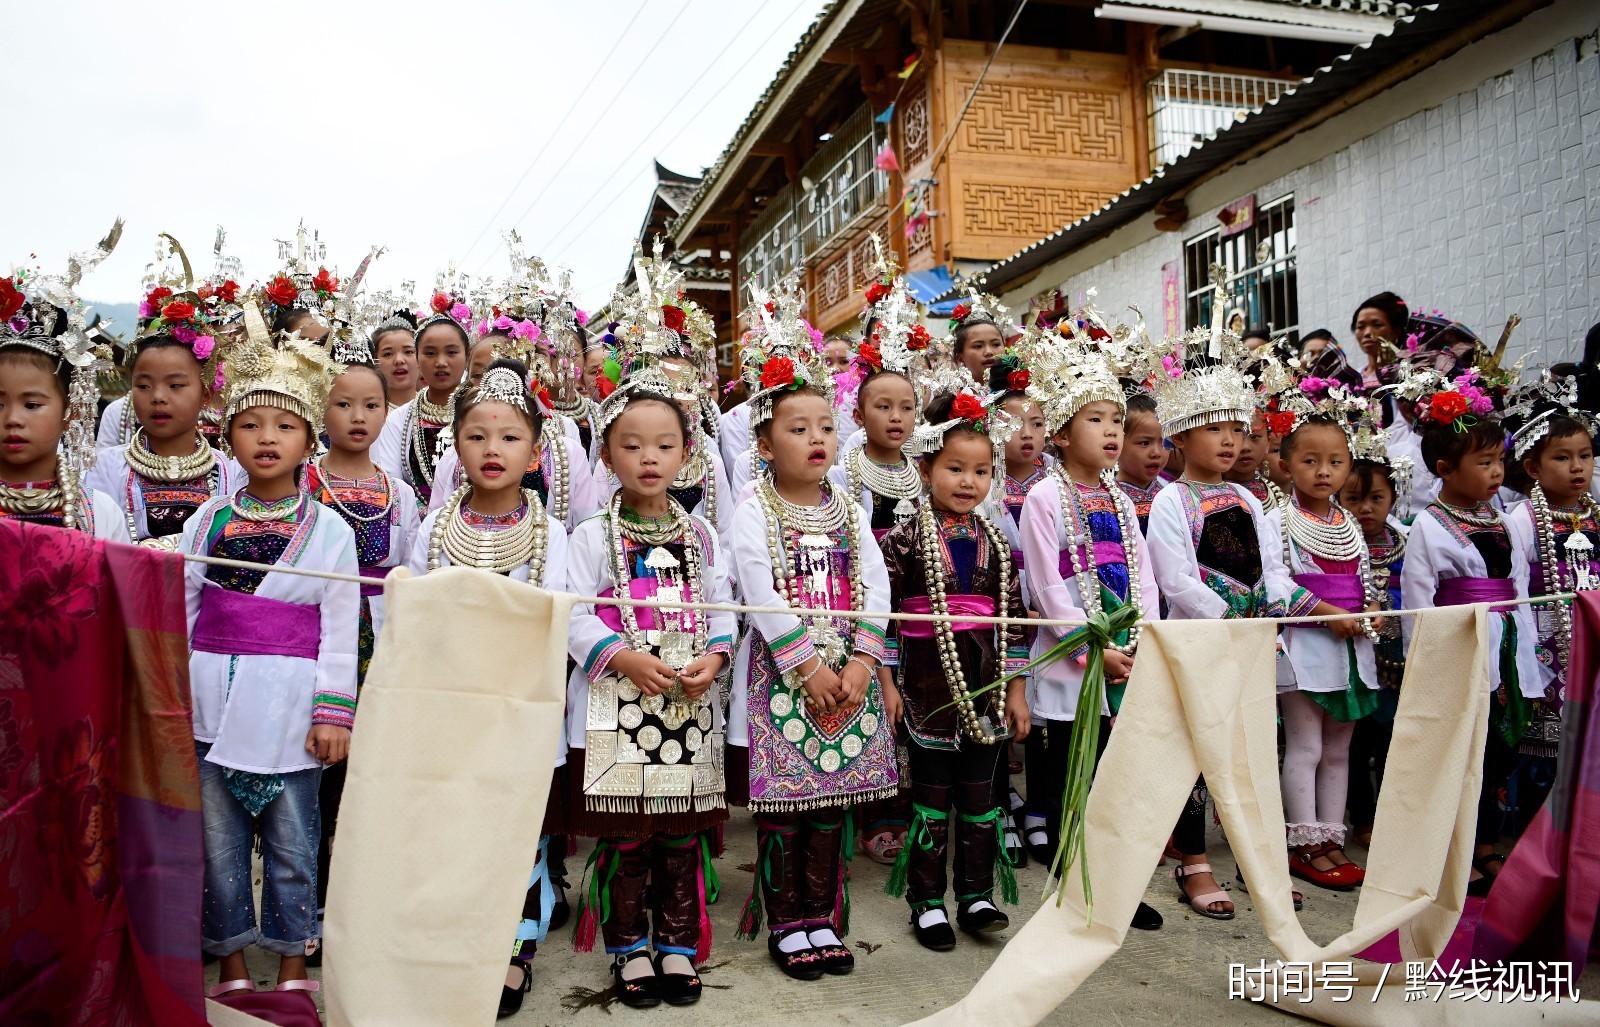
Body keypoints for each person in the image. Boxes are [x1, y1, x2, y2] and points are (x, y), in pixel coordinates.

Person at [180, 303, 357, 997]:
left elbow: (342, 626)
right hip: (212, 704)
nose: (266, 437)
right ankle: (229, 966)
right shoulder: (208, 518)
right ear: (228, 436)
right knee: (218, 847)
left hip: (292, 708)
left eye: (284, 425)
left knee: (293, 844)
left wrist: (334, 712)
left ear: (310, 438)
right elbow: (184, 610)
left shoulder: (331, 531)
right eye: (250, 424)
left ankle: (288, 969)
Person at [727, 284, 896, 982]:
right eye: (798, 428)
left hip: (846, 681)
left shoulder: (849, 511)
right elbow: (761, 593)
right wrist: (808, 666)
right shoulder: (751, 510)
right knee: (786, 810)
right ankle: (787, 920)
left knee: (832, 808)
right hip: (784, 681)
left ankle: (822, 916)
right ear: (764, 443)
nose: (817, 438)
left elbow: (877, 584)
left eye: (825, 425)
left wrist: (861, 660)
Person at [404, 358, 570, 1018]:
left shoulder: (551, 532)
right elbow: (411, 616)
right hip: (450, 703)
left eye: (508, 437)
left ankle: (514, 945)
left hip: (520, 705)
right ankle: (454, 940)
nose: (492, 449)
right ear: (455, 447)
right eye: (476, 436)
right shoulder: (434, 527)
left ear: (534, 453)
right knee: (454, 825)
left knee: (519, 828)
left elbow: (554, 618)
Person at [565, 372, 736, 1008]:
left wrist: (716, 657)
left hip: (688, 704)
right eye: (632, 446)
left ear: (686, 454)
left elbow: (722, 607)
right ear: (606, 455)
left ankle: (675, 943)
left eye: (664, 445)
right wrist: (621, 657)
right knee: (627, 834)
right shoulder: (591, 536)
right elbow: (574, 611)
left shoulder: (701, 536)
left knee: (679, 833)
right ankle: (628, 947)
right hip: (618, 701)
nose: (649, 458)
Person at [1145, 327, 1318, 918]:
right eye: (1215, 427)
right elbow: (1177, 581)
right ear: (1182, 435)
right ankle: (1193, 864)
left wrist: (1313, 610)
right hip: (1205, 642)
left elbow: (1273, 571)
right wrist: (1232, 621)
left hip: (1252, 644)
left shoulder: (1249, 501)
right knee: (1198, 753)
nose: (1230, 441)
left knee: (1254, 749)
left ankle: (1257, 855)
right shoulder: (1171, 501)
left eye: (1237, 429)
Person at [1015, 316, 1163, 931]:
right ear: (1062, 432)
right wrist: (1091, 646)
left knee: (1111, 769)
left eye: (1116, 422)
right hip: (1077, 653)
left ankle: (1110, 873)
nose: (1110, 432)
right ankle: (1073, 870)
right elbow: (1048, 587)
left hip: (1124, 652)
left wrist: (1142, 637)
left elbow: (1145, 575)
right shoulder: (1045, 499)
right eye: (1096, 419)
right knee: (1070, 762)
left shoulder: (1123, 500)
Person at [878, 390, 1029, 949]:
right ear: (925, 468)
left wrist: (1015, 692)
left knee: (981, 796)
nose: (969, 482)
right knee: (931, 798)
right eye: (955, 469)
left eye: (982, 471)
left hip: (985, 688)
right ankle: (925, 901)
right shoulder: (903, 537)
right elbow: (886, 617)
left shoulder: (996, 540)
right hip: (925, 684)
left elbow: (1013, 623)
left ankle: (975, 895)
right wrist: (888, 683)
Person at [1399, 367, 1540, 897]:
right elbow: (1418, 605)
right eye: (1483, 463)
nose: (1496, 472)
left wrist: (1528, 651)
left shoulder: (1502, 522)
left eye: (1499, 460)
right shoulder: (1430, 529)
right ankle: (1453, 848)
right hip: (1459, 650)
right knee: (1463, 751)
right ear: (1444, 469)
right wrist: (1425, 669)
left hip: (1505, 650)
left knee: (1499, 749)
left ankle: (1484, 844)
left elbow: (1521, 587)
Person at [303, 350, 420, 958]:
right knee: (317, 778)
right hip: (316, 641)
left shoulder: (398, 493)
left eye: (370, 405)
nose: (357, 416)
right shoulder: (300, 482)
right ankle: (313, 904)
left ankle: (367, 903)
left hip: (379, 645)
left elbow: (409, 573)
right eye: (342, 404)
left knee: (370, 778)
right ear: (320, 409)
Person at [1262, 384, 1382, 892]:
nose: (1323, 471)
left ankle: (1331, 837)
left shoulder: (1349, 523)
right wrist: (1328, 612)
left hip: (1352, 643)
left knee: (1339, 748)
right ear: (1287, 465)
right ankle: (1302, 841)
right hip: (1306, 643)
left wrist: (1372, 607)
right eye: (1310, 460)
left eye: (1335, 461)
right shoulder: (1276, 520)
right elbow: (1275, 584)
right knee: (1306, 746)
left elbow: (1369, 579)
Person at [1503, 372, 1599, 830]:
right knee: (1546, 750)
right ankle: (1539, 839)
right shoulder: (1521, 520)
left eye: (1585, 456)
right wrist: (1528, 663)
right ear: (1534, 468)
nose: (1577, 467)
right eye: (1562, 457)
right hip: (1548, 647)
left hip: (1593, 642)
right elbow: (1516, 592)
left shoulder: (1593, 513)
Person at [88, 275, 243, 548]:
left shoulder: (230, 470)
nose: (158, 397)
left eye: (175, 385)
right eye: (144, 386)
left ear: (205, 394)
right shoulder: (107, 467)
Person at [0, 255, 127, 542]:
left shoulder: (99, 512)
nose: (12, 419)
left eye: (31, 405)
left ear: (69, 410)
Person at [1337, 421, 1411, 848]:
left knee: (1392, 739)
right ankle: (1361, 818)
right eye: (1354, 499)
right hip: (1353, 649)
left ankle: (1391, 818)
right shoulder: (1337, 542)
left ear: (1393, 499)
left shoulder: (1406, 541)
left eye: (1376, 498)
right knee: (1354, 739)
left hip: (1397, 656)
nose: (1365, 508)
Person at [373, 292, 471, 510]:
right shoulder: (399, 420)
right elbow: (393, 484)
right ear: (417, 358)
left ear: (467, 357)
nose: (441, 362)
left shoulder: (482, 412)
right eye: (430, 353)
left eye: (452, 352)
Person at [1115, 393, 1165, 535]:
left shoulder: (1174, 497)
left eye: (1163, 442)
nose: (1156, 452)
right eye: (1144, 443)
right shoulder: (1108, 500)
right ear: (1119, 440)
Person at [946, 290, 1008, 388]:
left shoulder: (1025, 394)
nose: (989, 352)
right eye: (978, 346)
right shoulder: (950, 401)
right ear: (960, 357)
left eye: (996, 344)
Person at [1351, 292, 1408, 393]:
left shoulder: (1409, 375)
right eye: (1360, 327)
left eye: (1377, 325)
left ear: (1396, 331)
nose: (1367, 333)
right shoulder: (1352, 380)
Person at [370, 309, 419, 409]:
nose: (399, 360)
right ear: (375, 361)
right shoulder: (368, 411)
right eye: (388, 354)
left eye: (408, 352)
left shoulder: (438, 408)